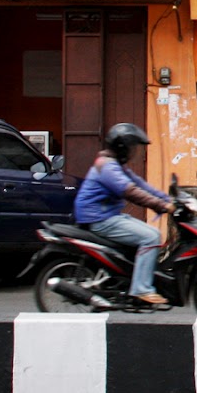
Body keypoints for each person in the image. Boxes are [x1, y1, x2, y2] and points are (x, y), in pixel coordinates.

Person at [73, 123, 175, 306]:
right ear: (122, 147)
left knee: (151, 233)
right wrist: (161, 205)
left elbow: (141, 185)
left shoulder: (115, 165)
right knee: (151, 237)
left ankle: (133, 279)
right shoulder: (108, 167)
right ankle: (141, 289)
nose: (134, 152)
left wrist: (168, 199)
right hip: (99, 218)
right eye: (132, 147)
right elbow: (131, 191)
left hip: (107, 215)